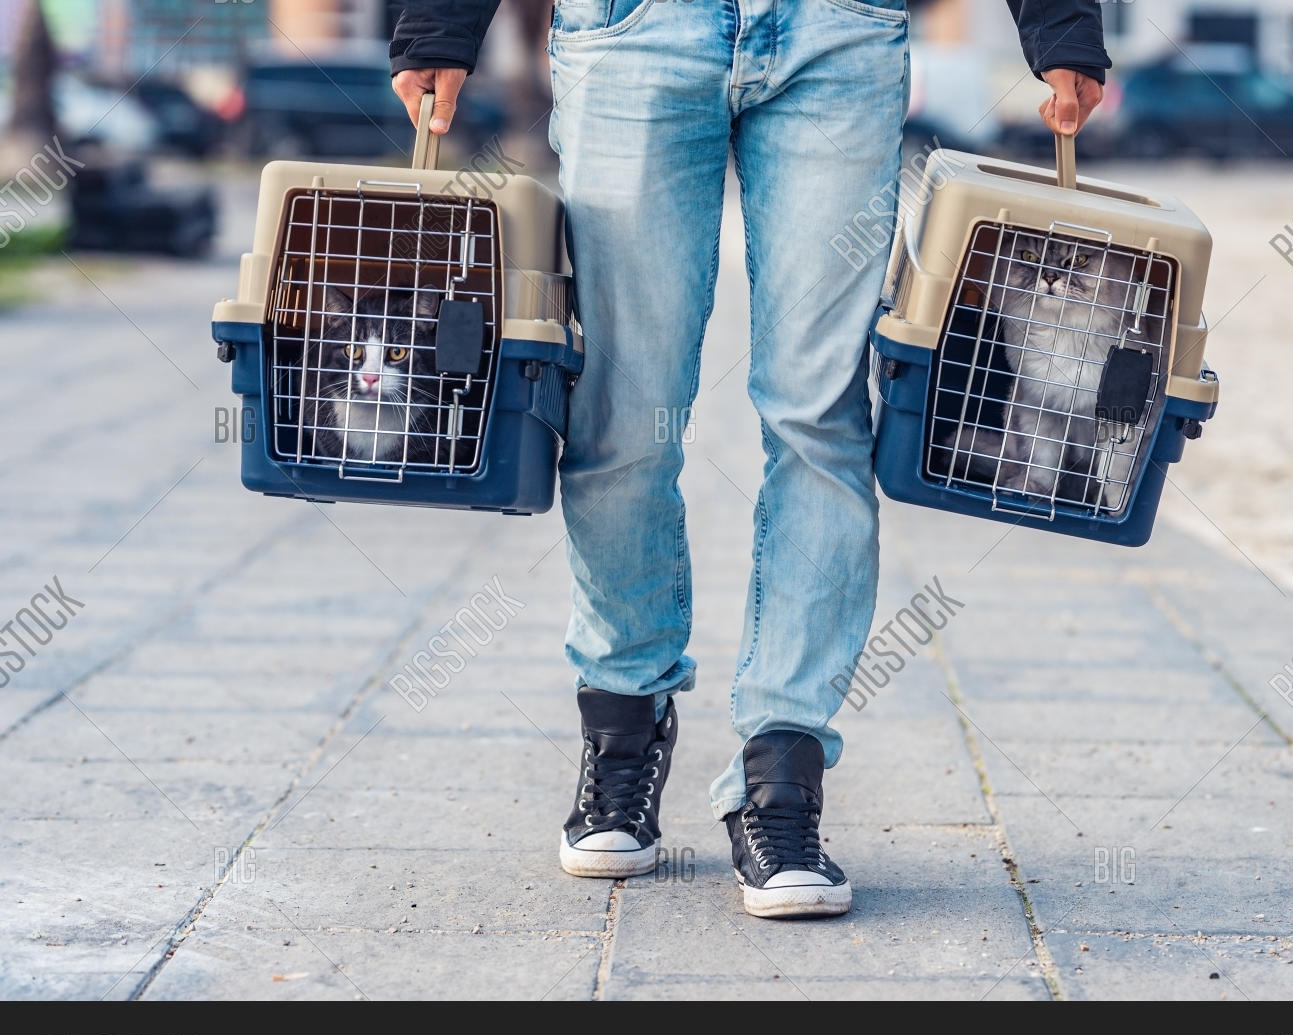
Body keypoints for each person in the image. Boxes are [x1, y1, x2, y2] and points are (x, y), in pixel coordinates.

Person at [391, 0, 1108, 918]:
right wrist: (439, 26)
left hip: (837, 32)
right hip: (633, 30)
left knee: (819, 414)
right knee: (621, 409)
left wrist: (1058, 26)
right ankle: (622, 726)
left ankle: (783, 774)